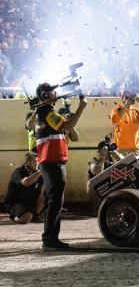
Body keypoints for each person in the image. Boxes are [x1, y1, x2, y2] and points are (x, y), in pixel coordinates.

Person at [35, 82, 87, 250]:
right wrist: (81, 107)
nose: (55, 93)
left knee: (56, 200)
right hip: (51, 161)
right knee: (55, 200)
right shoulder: (47, 111)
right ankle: (50, 239)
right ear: (44, 95)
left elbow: (73, 133)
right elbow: (68, 127)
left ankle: (50, 238)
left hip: (52, 161)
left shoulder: (47, 112)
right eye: (51, 91)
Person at [5, 152, 44, 224]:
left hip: (29, 202)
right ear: (27, 162)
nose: (37, 164)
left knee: (47, 191)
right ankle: (14, 216)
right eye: (34, 162)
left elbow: (43, 190)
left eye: (38, 162)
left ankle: (36, 214)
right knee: (26, 218)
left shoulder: (37, 173)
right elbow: (26, 182)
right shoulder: (19, 171)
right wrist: (40, 171)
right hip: (16, 203)